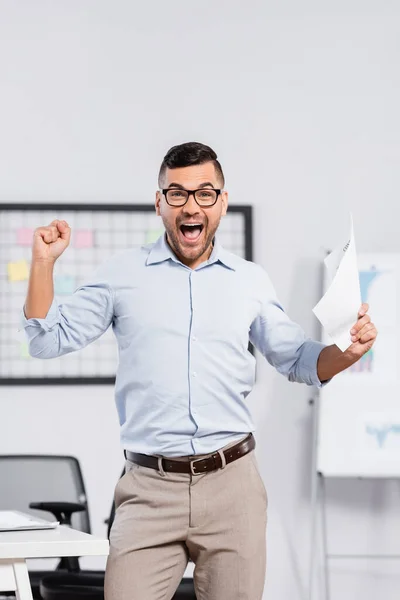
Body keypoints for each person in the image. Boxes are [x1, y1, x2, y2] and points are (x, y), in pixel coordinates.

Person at [22, 142, 378, 600]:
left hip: (234, 488)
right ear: (159, 203)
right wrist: (43, 264)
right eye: (177, 194)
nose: (191, 206)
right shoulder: (120, 275)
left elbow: (299, 359)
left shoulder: (248, 280)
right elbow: (46, 339)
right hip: (148, 489)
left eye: (204, 193)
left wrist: (346, 352)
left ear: (221, 202)